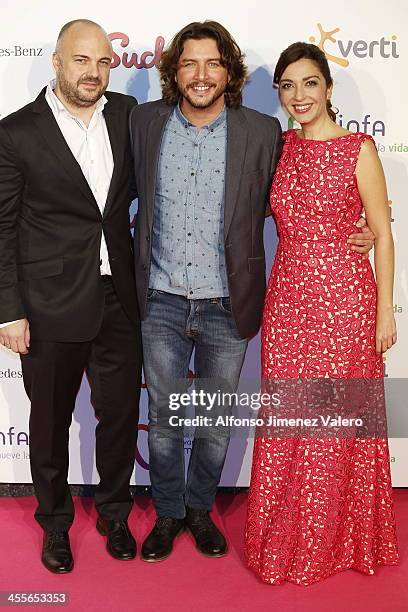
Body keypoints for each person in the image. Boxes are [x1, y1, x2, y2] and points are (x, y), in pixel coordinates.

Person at [129, 21, 374, 563]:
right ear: (173, 71)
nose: (200, 75)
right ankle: (167, 514)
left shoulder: (263, 132)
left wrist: (362, 228)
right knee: (167, 419)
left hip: (227, 302)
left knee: (214, 421)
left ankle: (199, 510)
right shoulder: (143, 122)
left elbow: (308, 189)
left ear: (228, 70)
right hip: (162, 298)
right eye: (189, 63)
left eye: (212, 63)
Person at [245, 42, 399, 585]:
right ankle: (290, 538)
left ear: (329, 88)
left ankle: (339, 541)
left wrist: (386, 313)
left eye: (309, 83)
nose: (298, 95)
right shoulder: (278, 147)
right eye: (287, 85)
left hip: (347, 305)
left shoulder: (359, 148)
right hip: (288, 302)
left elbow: (382, 233)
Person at [0, 20, 142, 573]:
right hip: (48, 304)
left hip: (120, 300)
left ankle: (113, 511)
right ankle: (55, 523)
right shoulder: (16, 132)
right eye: (83, 61)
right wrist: (8, 310)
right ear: (57, 62)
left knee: (120, 415)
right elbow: (3, 227)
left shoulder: (129, 117)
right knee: (51, 421)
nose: (94, 73)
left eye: (104, 63)